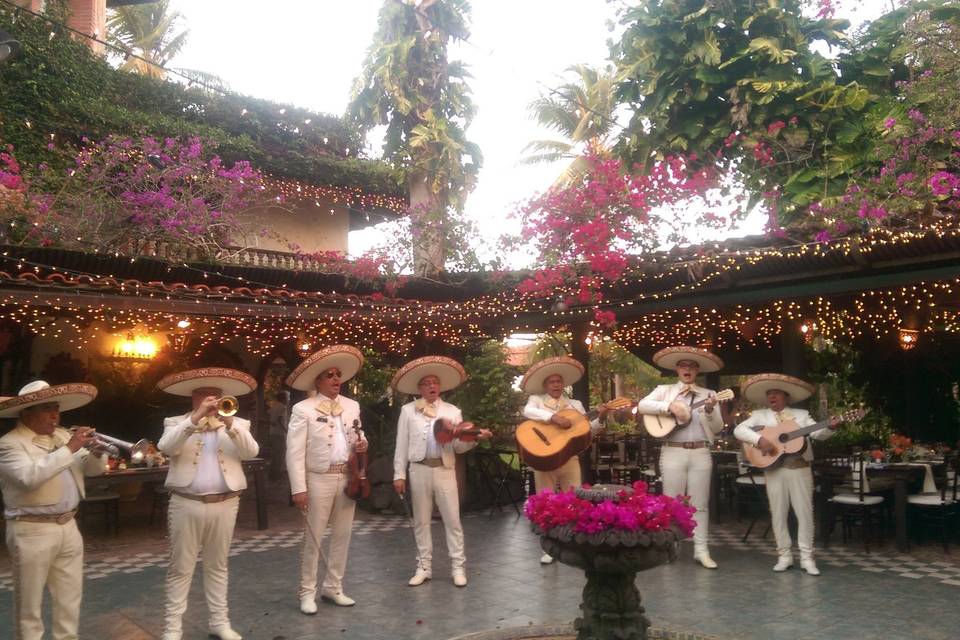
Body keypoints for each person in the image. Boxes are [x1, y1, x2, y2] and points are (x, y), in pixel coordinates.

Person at [156, 367, 260, 640]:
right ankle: (172, 628)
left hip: (226, 503)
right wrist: (195, 419)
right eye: (204, 395)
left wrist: (230, 424)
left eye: (215, 395)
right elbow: (166, 447)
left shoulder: (237, 424)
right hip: (186, 502)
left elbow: (251, 452)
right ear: (193, 397)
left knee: (218, 565)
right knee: (181, 567)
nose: (211, 400)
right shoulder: (176, 422)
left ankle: (219, 622)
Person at [0, 380, 106, 640]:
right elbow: (28, 477)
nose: (55, 415)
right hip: (31, 529)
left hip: (69, 526)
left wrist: (96, 453)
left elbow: (94, 471)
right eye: (46, 409)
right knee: (30, 607)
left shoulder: (61, 435)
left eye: (56, 408)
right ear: (26, 413)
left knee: (70, 601)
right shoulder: (9, 443)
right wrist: (71, 447)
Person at [392, 356, 492, 587]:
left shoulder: (452, 411)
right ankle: (423, 566)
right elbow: (401, 444)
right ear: (420, 388)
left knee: (453, 520)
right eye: (426, 383)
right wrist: (399, 474)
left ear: (440, 387)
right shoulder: (408, 411)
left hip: (445, 469)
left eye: (435, 382)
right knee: (421, 521)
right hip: (418, 469)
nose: (432, 386)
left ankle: (458, 567)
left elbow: (458, 446)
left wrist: (475, 437)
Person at [285, 345, 368, 613]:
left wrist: (363, 443)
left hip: (347, 477)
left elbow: (357, 437)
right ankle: (307, 592)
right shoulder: (303, 409)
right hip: (318, 478)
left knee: (342, 535)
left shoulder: (352, 405)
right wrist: (299, 487)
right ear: (318, 380)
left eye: (338, 375)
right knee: (314, 537)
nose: (336, 380)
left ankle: (334, 587)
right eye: (330, 375)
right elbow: (294, 452)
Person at [733, 373, 838, 576]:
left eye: (776, 393)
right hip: (774, 469)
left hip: (799, 468)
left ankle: (807, 557)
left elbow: (817, 434)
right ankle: (784, 556)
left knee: (805, 513)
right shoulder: (759, 415)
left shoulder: (801, 415)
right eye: (769, 394)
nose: (772, 397)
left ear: (786, 397)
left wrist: (831, 427)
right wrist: (759, 440)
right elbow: (739, 430)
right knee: (778, 513)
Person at [636, 346, 723, 569]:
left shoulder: (709, 395)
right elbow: (642, 405)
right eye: (683, 365)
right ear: (677, 369)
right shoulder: (664, 390)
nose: (687, 369)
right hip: (672, 450)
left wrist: (712, 411)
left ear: (698, 370)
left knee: (700, 504)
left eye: (692, 366)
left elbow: (718, 427)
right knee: (671, 503)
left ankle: (701, 550)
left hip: (701, 451)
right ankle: (670, 548)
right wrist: (670, 407)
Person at [519, 356, 608, 564]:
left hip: (569, 458)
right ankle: (549, 547)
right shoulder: (536, 401)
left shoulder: (575, 404)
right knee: (546, 502)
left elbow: (587, 431)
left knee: (574, 501)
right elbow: (528, 412)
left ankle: (572, 542)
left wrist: (601, 418)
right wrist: (552, 418)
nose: (556, 385)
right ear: (545, 385)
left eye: (559, 381)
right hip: (544, 458)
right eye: (552, 382)